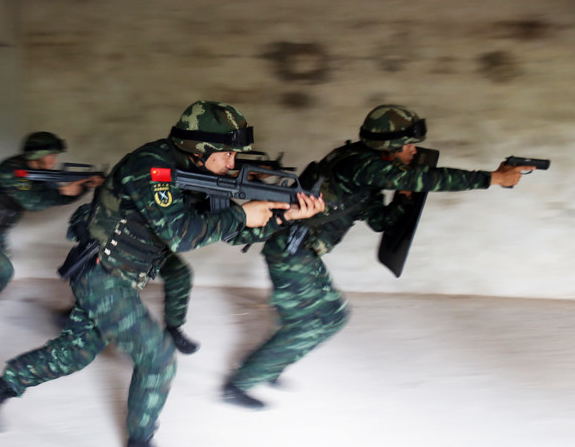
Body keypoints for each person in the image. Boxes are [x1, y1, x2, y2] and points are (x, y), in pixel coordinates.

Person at [0, 100, 324, 447]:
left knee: (75, 352)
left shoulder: (194, 171)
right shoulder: (151, 167)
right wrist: (242, 212)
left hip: (125, 276)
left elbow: (232, 229)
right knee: (158, 357)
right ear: (200, 148)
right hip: (101, 272)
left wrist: (283, 215)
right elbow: (182, 234)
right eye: (225, 154)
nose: (232, 162)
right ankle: (140, 446)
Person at [221, 104, 533, 410]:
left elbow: (379, 219)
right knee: (326, 318)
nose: (412, 151)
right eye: (408, 145)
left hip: (298, 248)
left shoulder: (363, 171)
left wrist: (404, 200)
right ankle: (240, 383)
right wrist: (493, 178)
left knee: (298, 316)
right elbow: (427, 178)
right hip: (291, 250)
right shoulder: (359, 164)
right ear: (389, 145)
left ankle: (271, 366)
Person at [0, 132, 103, 333]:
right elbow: (32, 201)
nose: (54, 160)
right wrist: (64, 191)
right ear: (38, 154)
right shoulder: (11, 170)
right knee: (1, 271)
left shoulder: (37, 174)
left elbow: (53, 197)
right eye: (51, 155)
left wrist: (81, 188)